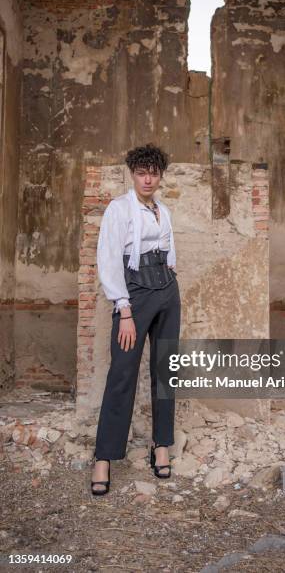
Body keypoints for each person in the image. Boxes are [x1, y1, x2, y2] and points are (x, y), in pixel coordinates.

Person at [90, 143, 181, 496]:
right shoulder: (119, 209)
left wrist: (170, 273)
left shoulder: (163, 210)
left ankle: (162, 445)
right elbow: (109, 257)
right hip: (135, 294)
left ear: (160, 176)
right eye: (141, 172)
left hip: (167, 292)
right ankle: (104, 457)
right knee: (122, 373)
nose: (148, 178)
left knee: (165, 368)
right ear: (132, 173)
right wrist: (123, 309)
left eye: (153, 173)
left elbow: (168, 247)